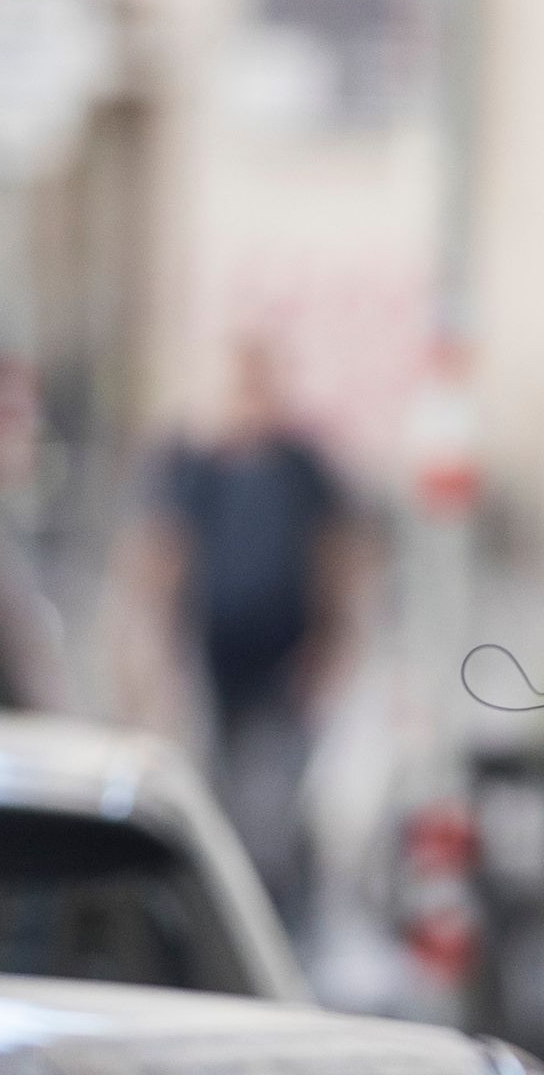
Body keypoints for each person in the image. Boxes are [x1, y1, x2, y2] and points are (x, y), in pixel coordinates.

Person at [127, 336, 366, 925]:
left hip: (283, 657)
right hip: (210, 656)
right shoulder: (194, 463)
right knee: (210, 788)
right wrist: (151, 655)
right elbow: (163, 552)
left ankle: (271, 914)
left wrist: (334, 646)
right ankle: (214, 912)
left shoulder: (301, 467)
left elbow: (334, 556)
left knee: (274, 802)